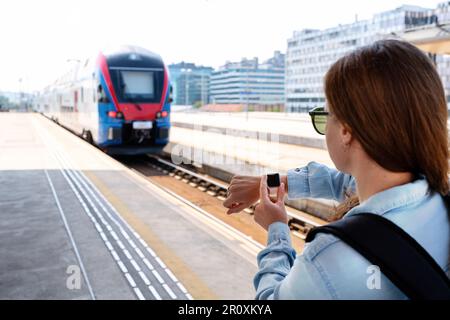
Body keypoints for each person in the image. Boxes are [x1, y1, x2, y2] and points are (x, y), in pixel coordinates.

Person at [223, 39, 450, 299]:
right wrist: (270, 182)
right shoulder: (437, 199)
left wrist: (277, 230)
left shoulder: (329, 257)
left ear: (345, 131)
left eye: (325, 115)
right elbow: (343, 183)